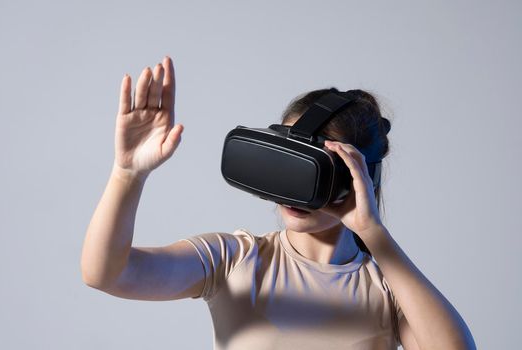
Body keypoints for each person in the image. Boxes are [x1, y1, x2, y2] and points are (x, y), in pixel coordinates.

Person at [80, 56, 476, 350]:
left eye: (320, 170)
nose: (294, 191)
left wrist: (374, 235)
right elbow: (107, 274)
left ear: (361, 177)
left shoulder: (390, 289)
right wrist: (127, 174)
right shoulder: (234, 259)